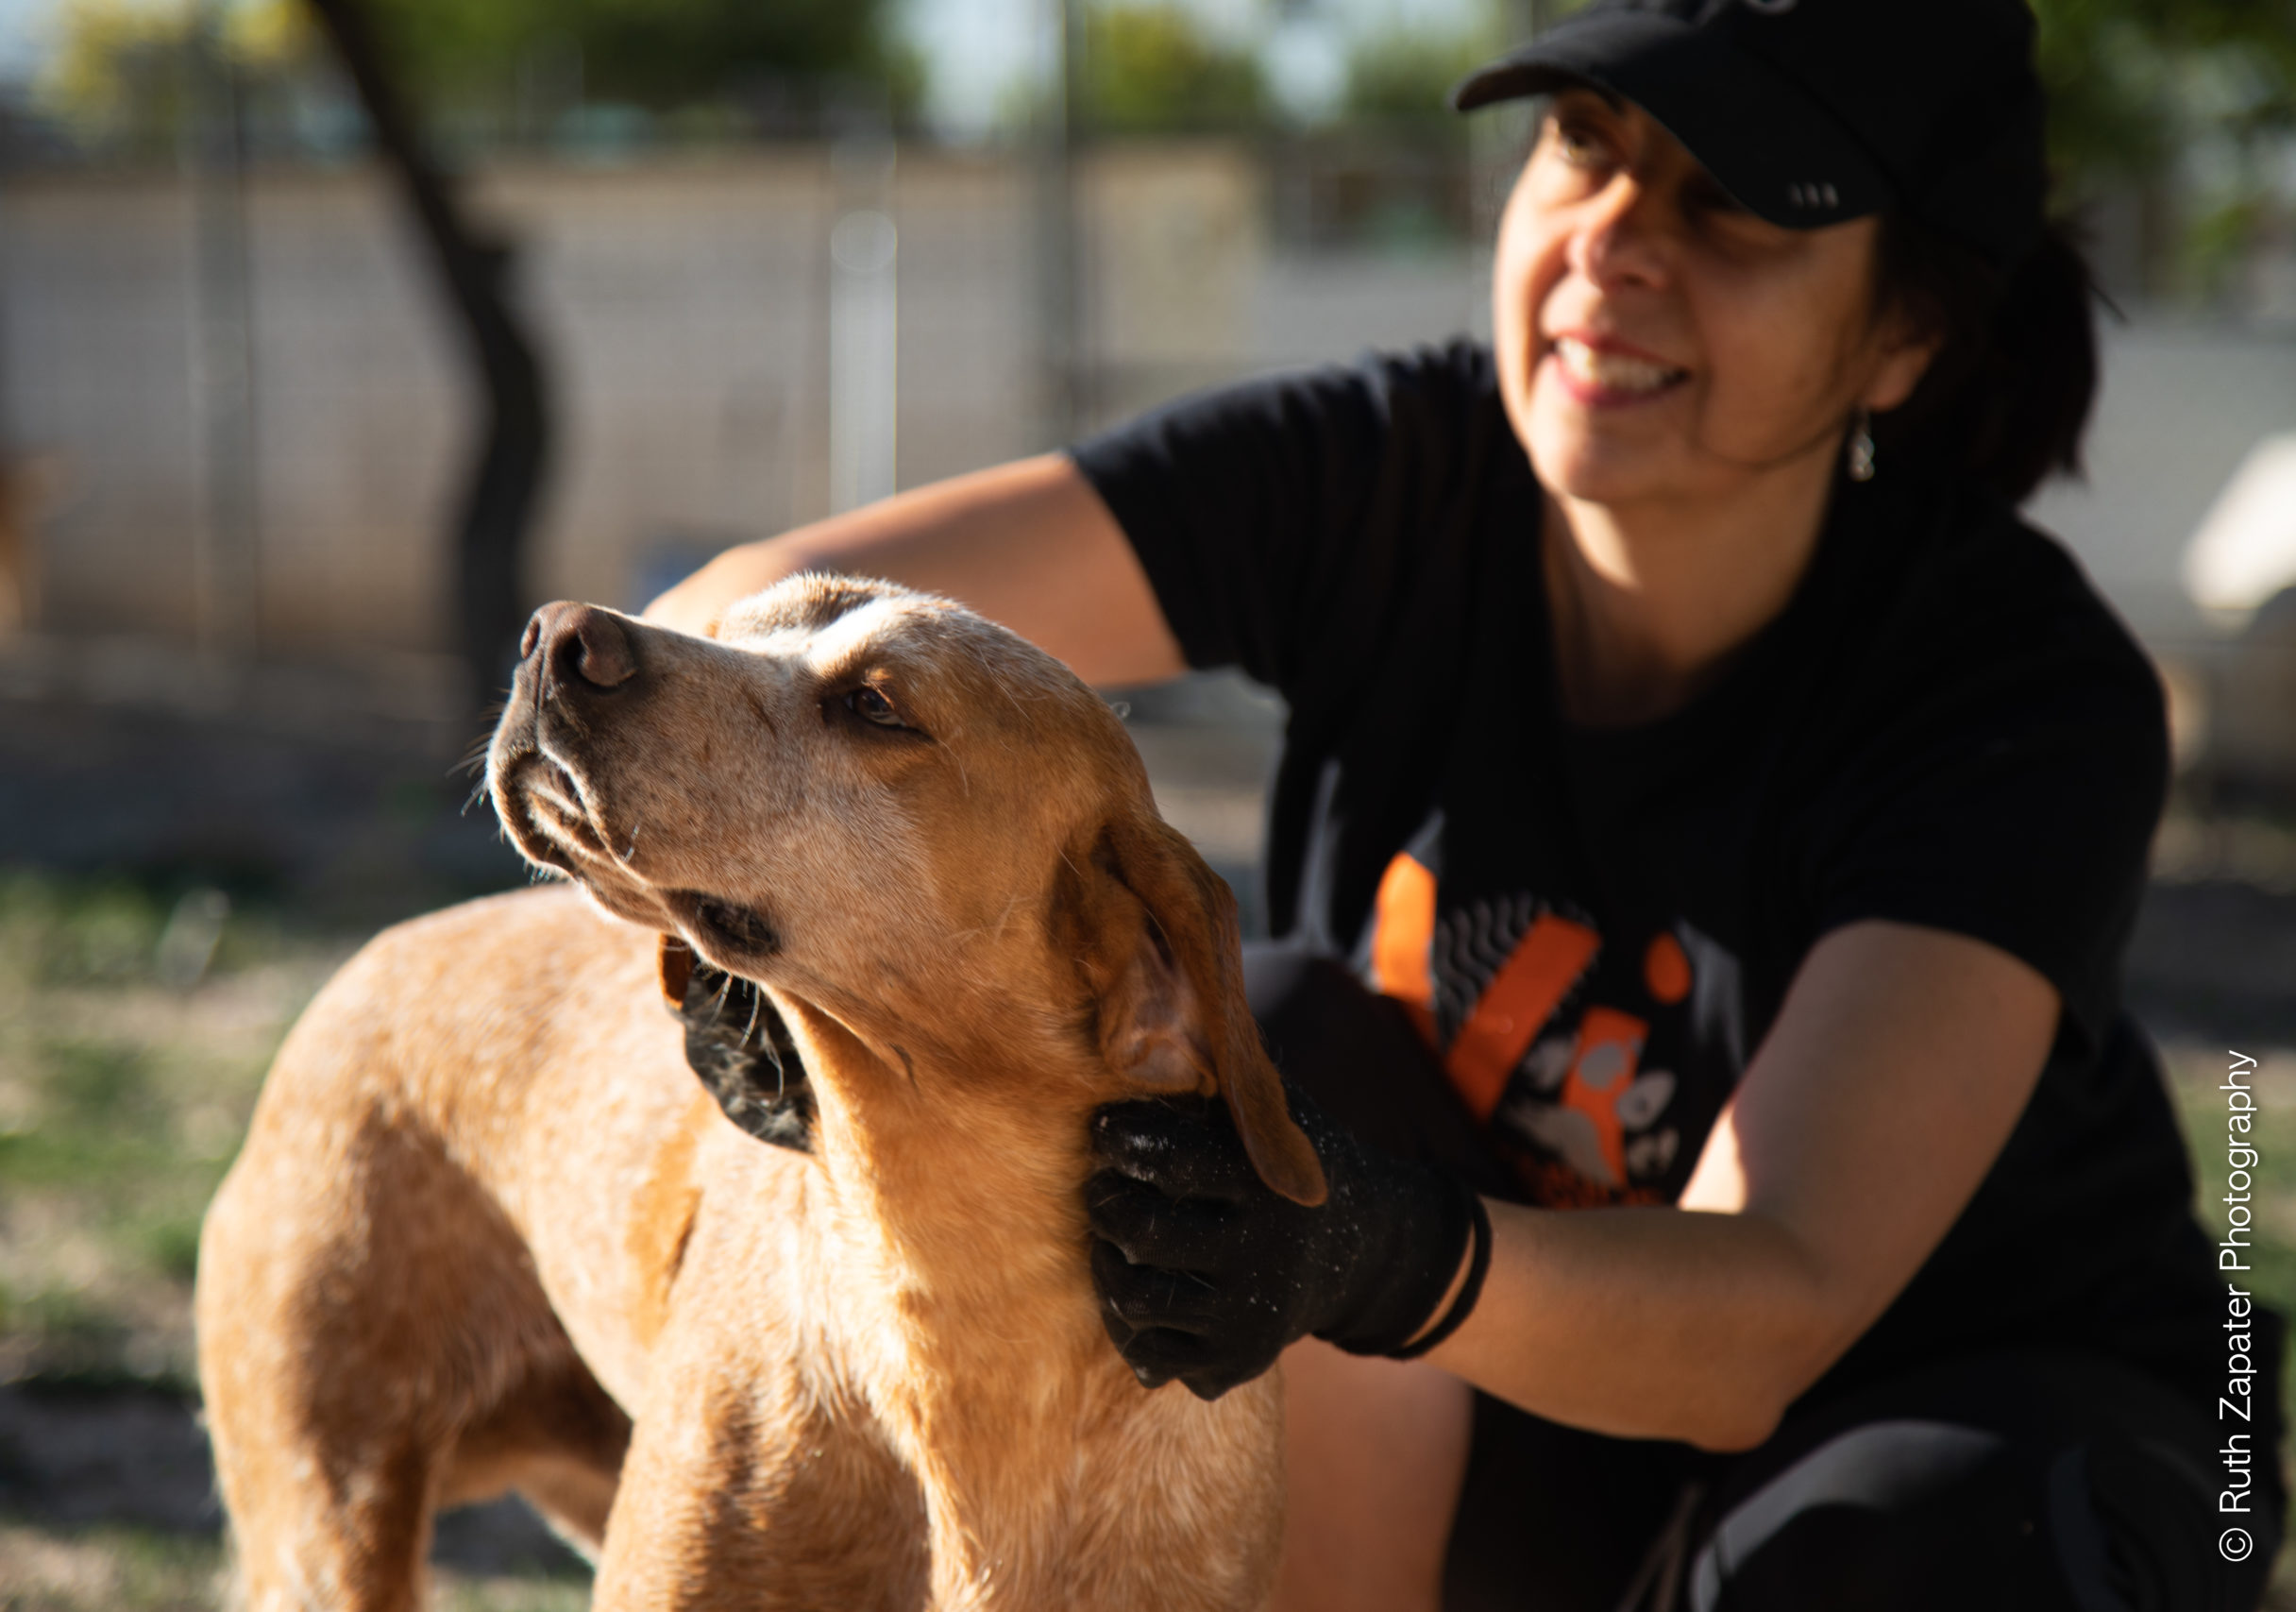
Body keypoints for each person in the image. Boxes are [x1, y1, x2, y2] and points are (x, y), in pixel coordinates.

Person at [647, 0, 2286, 1604]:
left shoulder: (2017, 690)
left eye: (1736, 204)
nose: (1616, 240)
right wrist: (761, 902)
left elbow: (1765, 1312)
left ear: (1906, 333)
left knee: (1910, 1544)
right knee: (1260, 1045)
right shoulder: (1389, 468)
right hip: (1523, 1421)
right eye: (1585, 145)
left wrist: (1374, 1255)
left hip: (1992, 1424)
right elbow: (750, 613)